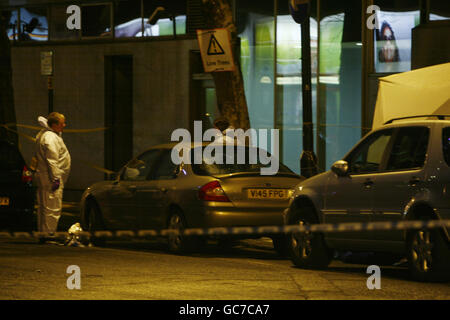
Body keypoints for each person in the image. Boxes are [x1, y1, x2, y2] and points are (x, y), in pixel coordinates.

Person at [34, 112, 71, 243]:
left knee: (44, 206)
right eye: (62, 123)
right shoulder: (50, 138)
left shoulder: (45, 135)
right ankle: (49, 234)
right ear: (54, 125)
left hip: (46, 176)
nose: (64, 125)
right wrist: (56, 178)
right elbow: (52, 160)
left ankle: (44, 233)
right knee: (52, 207)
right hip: (50, 178)